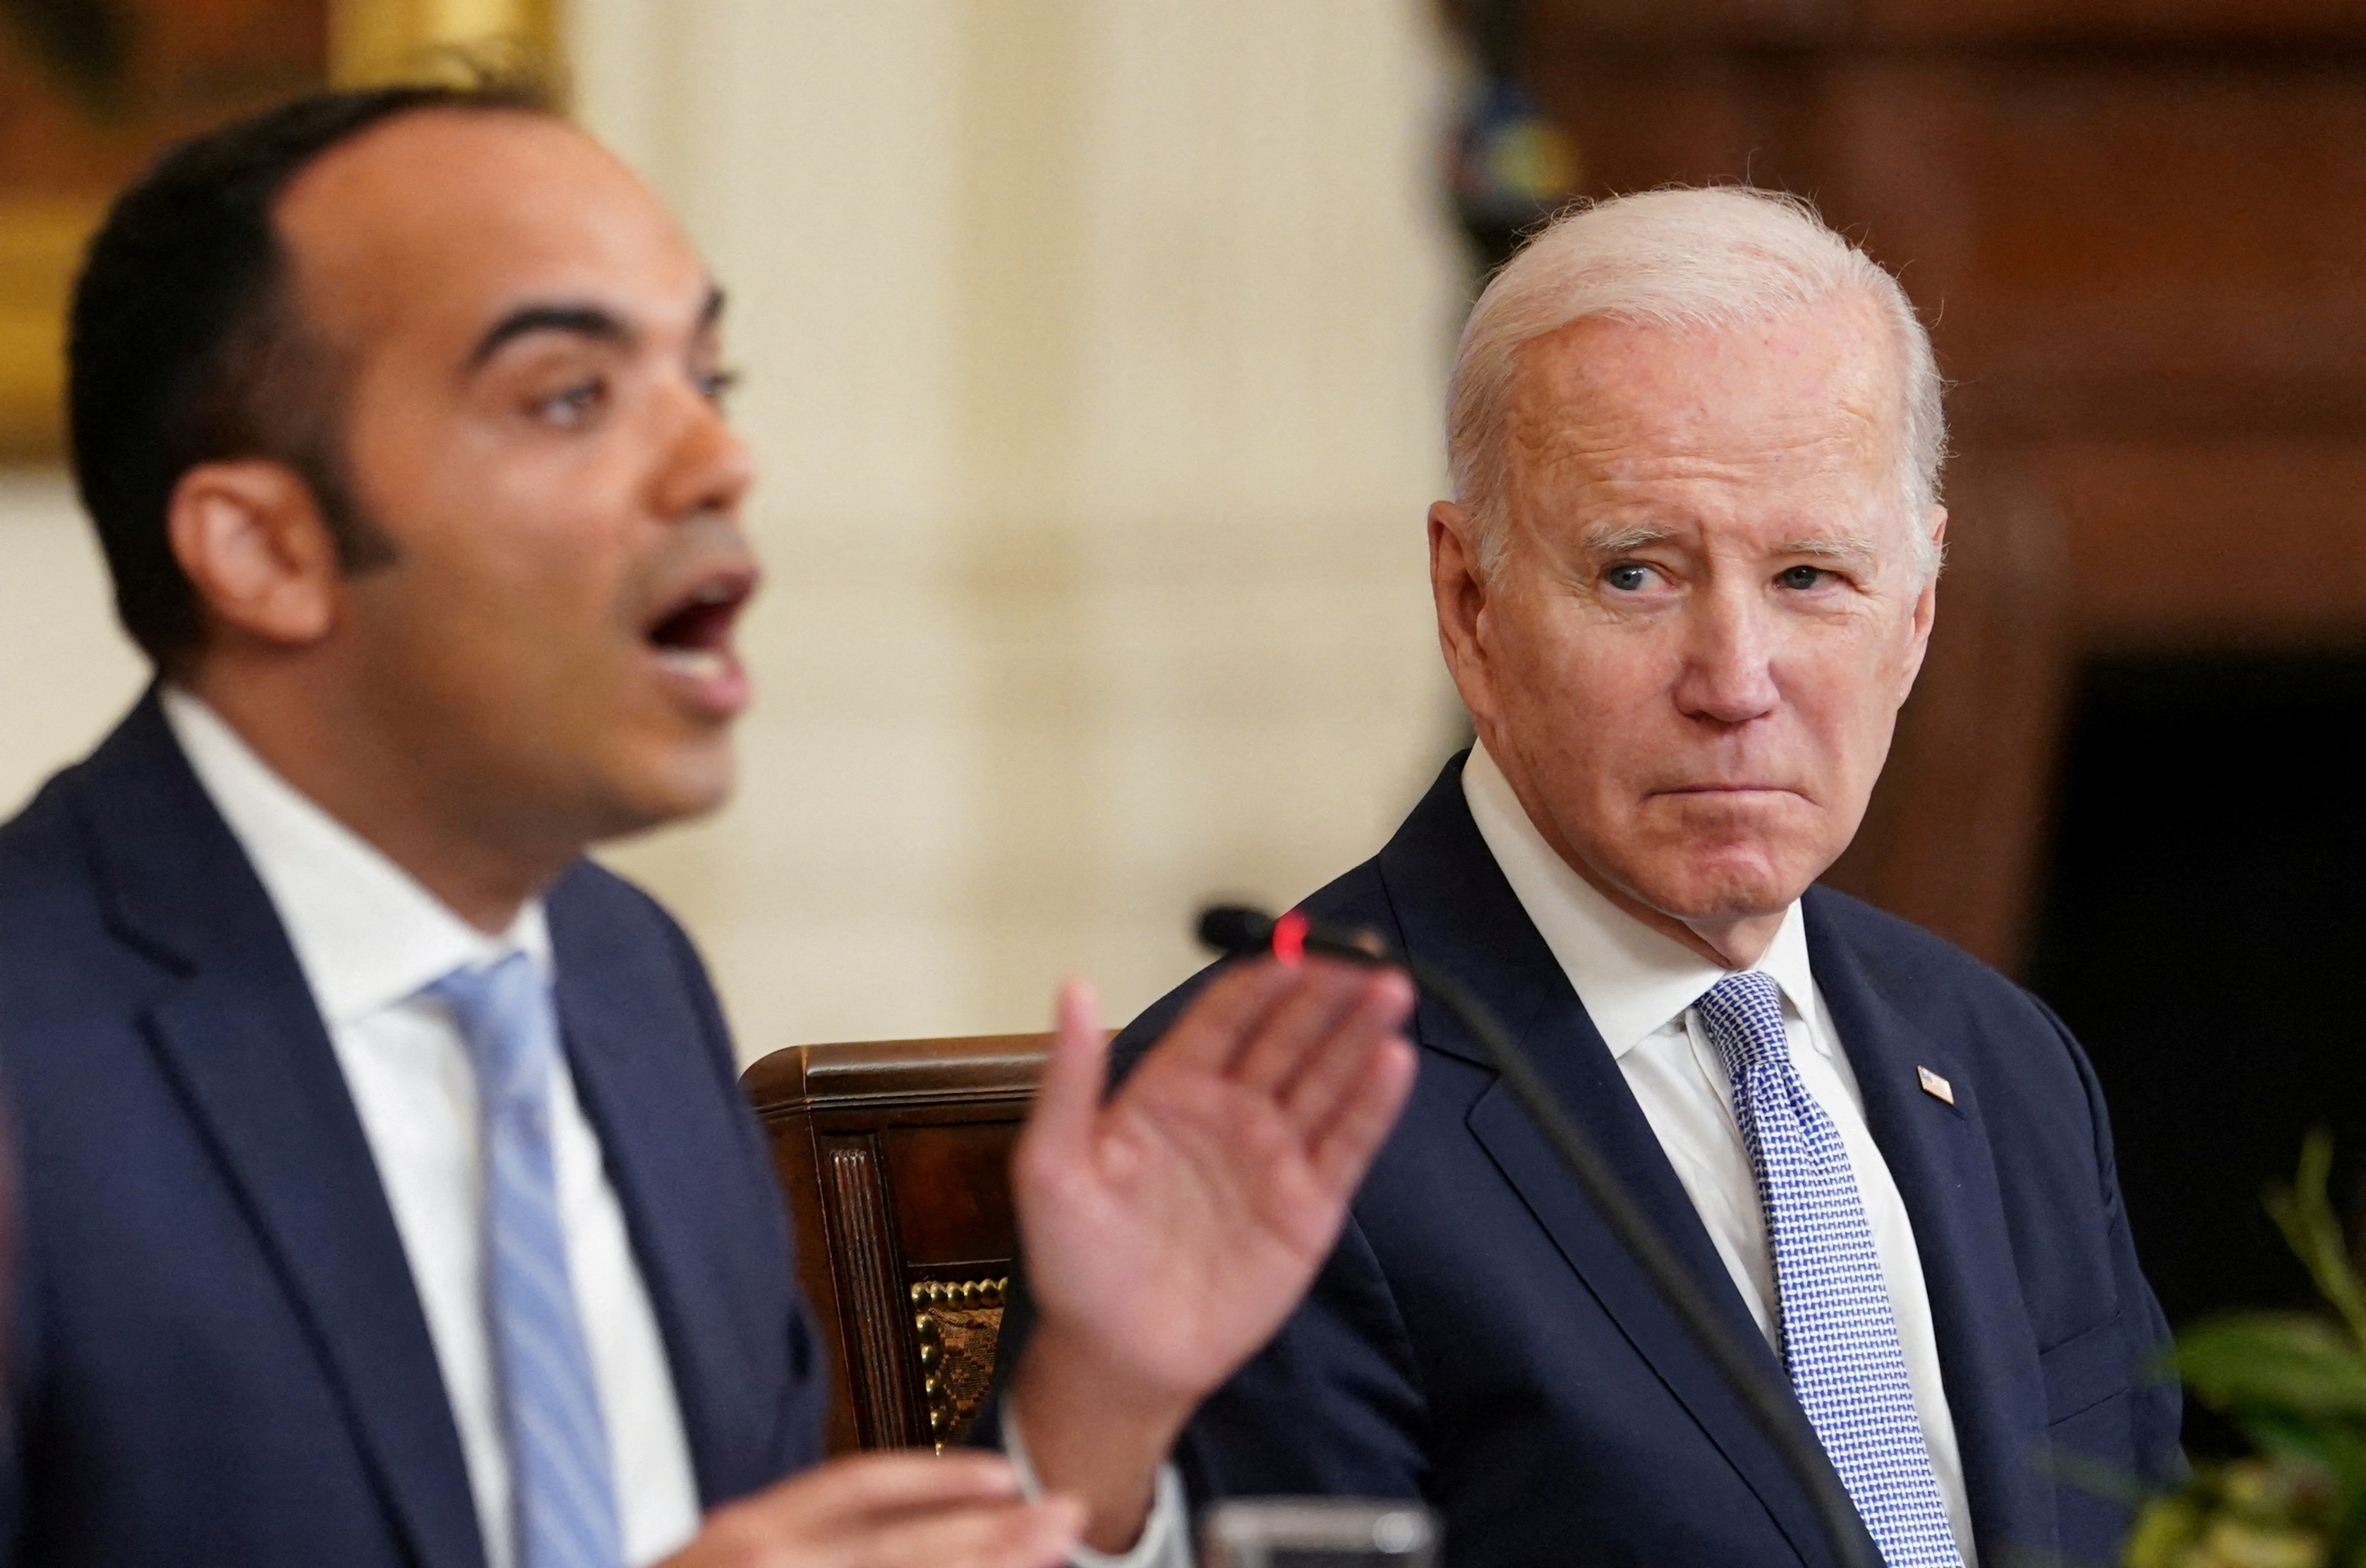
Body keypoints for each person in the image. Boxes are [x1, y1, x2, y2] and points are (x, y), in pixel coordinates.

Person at [0, 83, 1418, 1568]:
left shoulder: (626, 982)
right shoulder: (44, 1055)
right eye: (569, 397)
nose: (718, 463)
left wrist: (1096, 1405)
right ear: (266, 548)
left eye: (708, 381)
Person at [1018, 188, 2182, 1567]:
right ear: (1471, 604)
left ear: (1917, 611)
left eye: (1811, 575)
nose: (1735, 681)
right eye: (1637, 573)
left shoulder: (2001, 1061)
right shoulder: (1277, 1121)